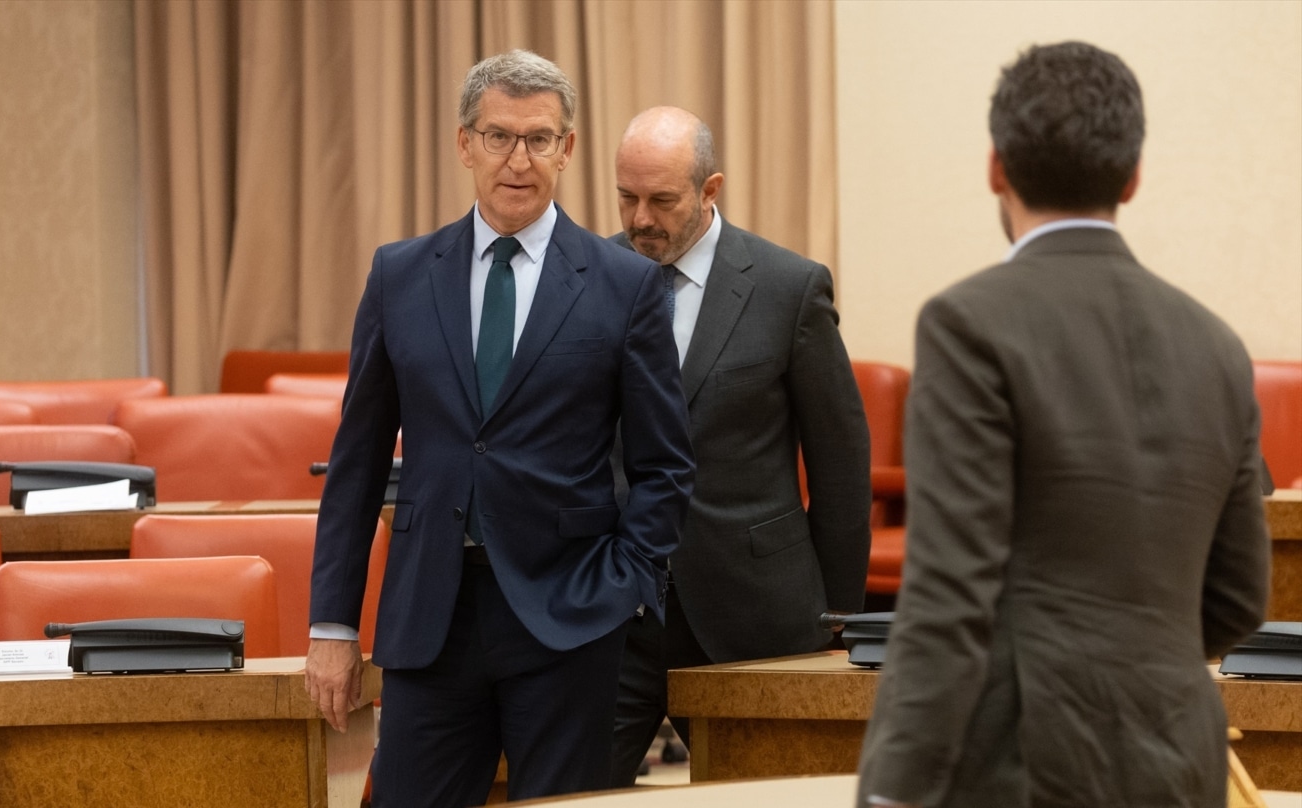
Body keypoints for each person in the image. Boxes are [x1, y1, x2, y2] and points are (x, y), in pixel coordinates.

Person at [855, 41, 1271, 808]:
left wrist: (893, 790)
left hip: (1025, 763)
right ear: (1133, 177)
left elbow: (950, 591)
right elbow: (1242, 592)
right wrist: (1141, 666)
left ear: (996, 168)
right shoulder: (1216, 346)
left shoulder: (968, 323)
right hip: (1180, 752)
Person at [304, 51, 694, 807]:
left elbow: (666, 467)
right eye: (499, 137)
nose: (519, 160)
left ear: (568, 148)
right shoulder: (400, 275)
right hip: (429, 618)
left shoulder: (625, 286)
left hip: (570, 617)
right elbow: (356, 465)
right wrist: (332, 622)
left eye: (540, 139)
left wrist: (625, 583)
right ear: (464, 144)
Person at [606, 106, 872, 786]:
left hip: (752, 613)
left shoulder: (789, 288)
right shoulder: (590, 276)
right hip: (613, 611)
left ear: (710, 189)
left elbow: (841, 464)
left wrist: (836, 617)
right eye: (627, 197)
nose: (641, 220)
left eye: (662, 200)